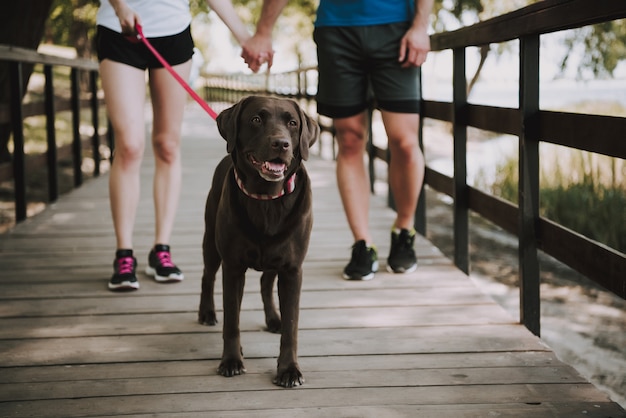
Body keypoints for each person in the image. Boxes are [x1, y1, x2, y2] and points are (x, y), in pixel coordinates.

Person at [245, 0, 433, 280]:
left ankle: (404, 230)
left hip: (396, 27)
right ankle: (362, 244)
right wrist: (263, 30)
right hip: (337, 29)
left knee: (405, 142)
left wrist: (420, 25)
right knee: (349, 139)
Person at [96, 0, 271, 291]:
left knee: (167, 144)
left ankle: (161, 249)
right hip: (118, 28)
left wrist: (247, 39)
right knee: (129, 145)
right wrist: (119, 7)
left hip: (173, 32)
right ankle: (123, 253)